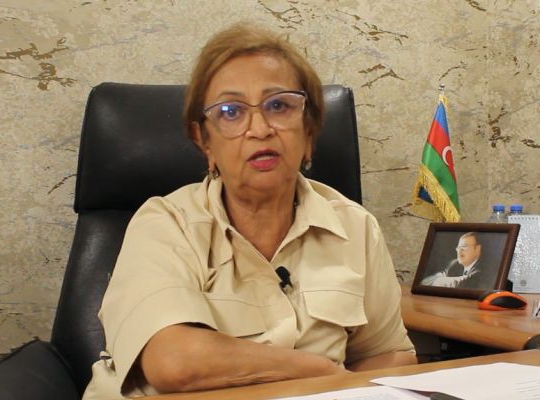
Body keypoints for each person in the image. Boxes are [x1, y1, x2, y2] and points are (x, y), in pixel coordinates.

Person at [82, 23, 416, 399]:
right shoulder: (165, 223)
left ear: (309, 131)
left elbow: (390, 355)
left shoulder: (356, 227)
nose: (259, 128)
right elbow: (174, 362)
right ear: (204, 141)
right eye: (230, 112)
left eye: (279, 106)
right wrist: (322, 373)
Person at [421, 232, 488, 289]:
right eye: (458, 247)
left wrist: (438, 281)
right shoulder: (454, 264)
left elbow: (462, 283)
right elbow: (425, 281)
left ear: (478, 249)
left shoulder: (485, 269)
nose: (459, 251)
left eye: (464, 246)